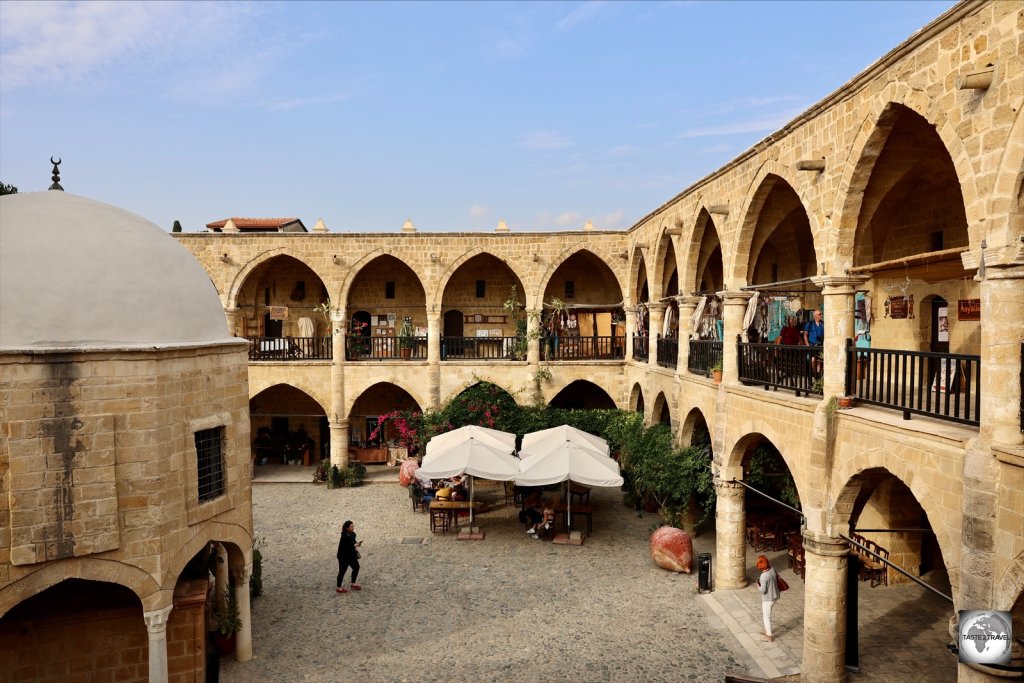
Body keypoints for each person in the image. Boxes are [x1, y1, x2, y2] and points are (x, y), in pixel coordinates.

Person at [756, 555, 780, 642]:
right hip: (775, 595)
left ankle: (769, 636)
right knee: (767, 615)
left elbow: (763, 590)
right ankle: (767, 630)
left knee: (766, 616)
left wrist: (758, 586)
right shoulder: (772, 569)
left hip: (768, 598)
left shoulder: (763, 576)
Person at [336, 520, 362, 594]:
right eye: (351, 526)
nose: (353, 527)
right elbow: (349, 545)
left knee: (356, 567)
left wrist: (357, 544)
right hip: (343, 557)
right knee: (342, 571)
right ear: (347, 528)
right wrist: (356, 545)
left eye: (353, 526)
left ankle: (353, 584)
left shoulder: (352, 534)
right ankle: (339, 587)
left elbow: (353, 542)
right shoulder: (345, 536)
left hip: (350, 555)